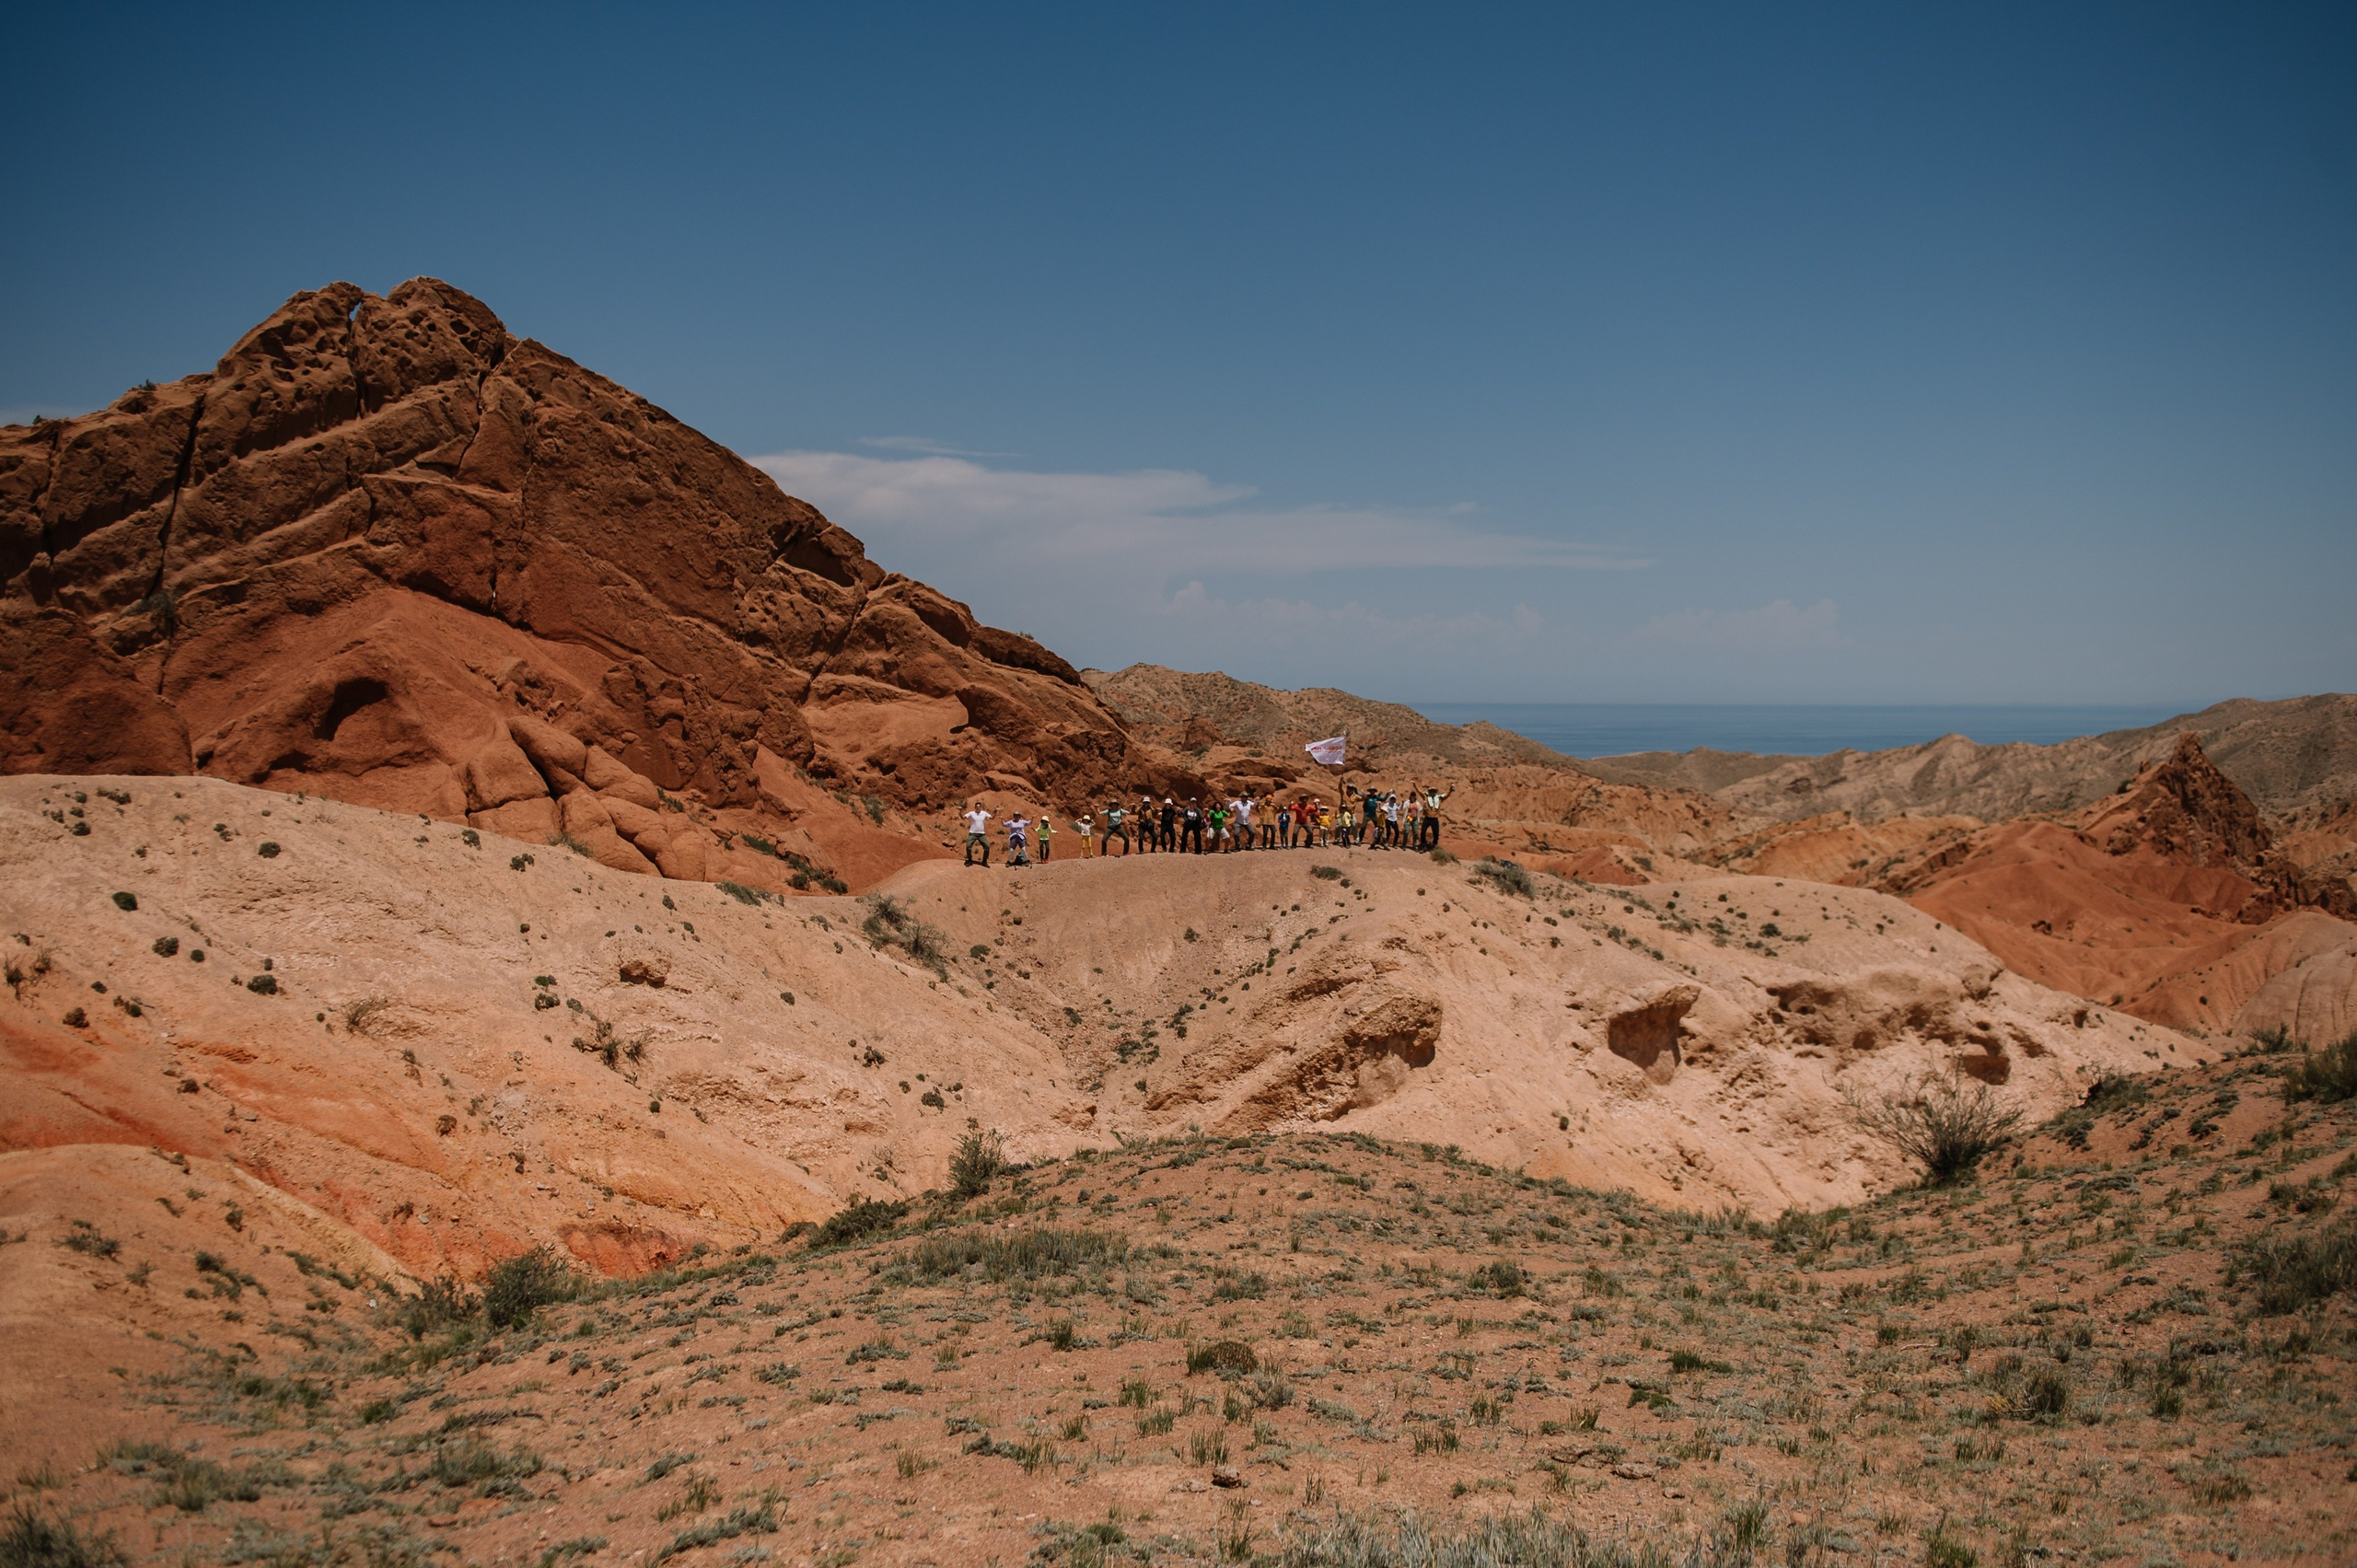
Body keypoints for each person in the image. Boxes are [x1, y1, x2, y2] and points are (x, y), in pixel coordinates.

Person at [962, 802, 993, 866]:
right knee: (968, 846)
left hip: (981, 834)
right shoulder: (971, 813)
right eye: (977, 806)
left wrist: (996, 810)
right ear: (975, 807)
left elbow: (992, 817)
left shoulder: (984, 813)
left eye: (979, 806)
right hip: (972, 833)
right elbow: (963, 817)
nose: (978, 808)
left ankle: (984, 861)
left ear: (981, 807)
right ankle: (970, 860)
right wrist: (960, 810)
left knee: (987, 847)